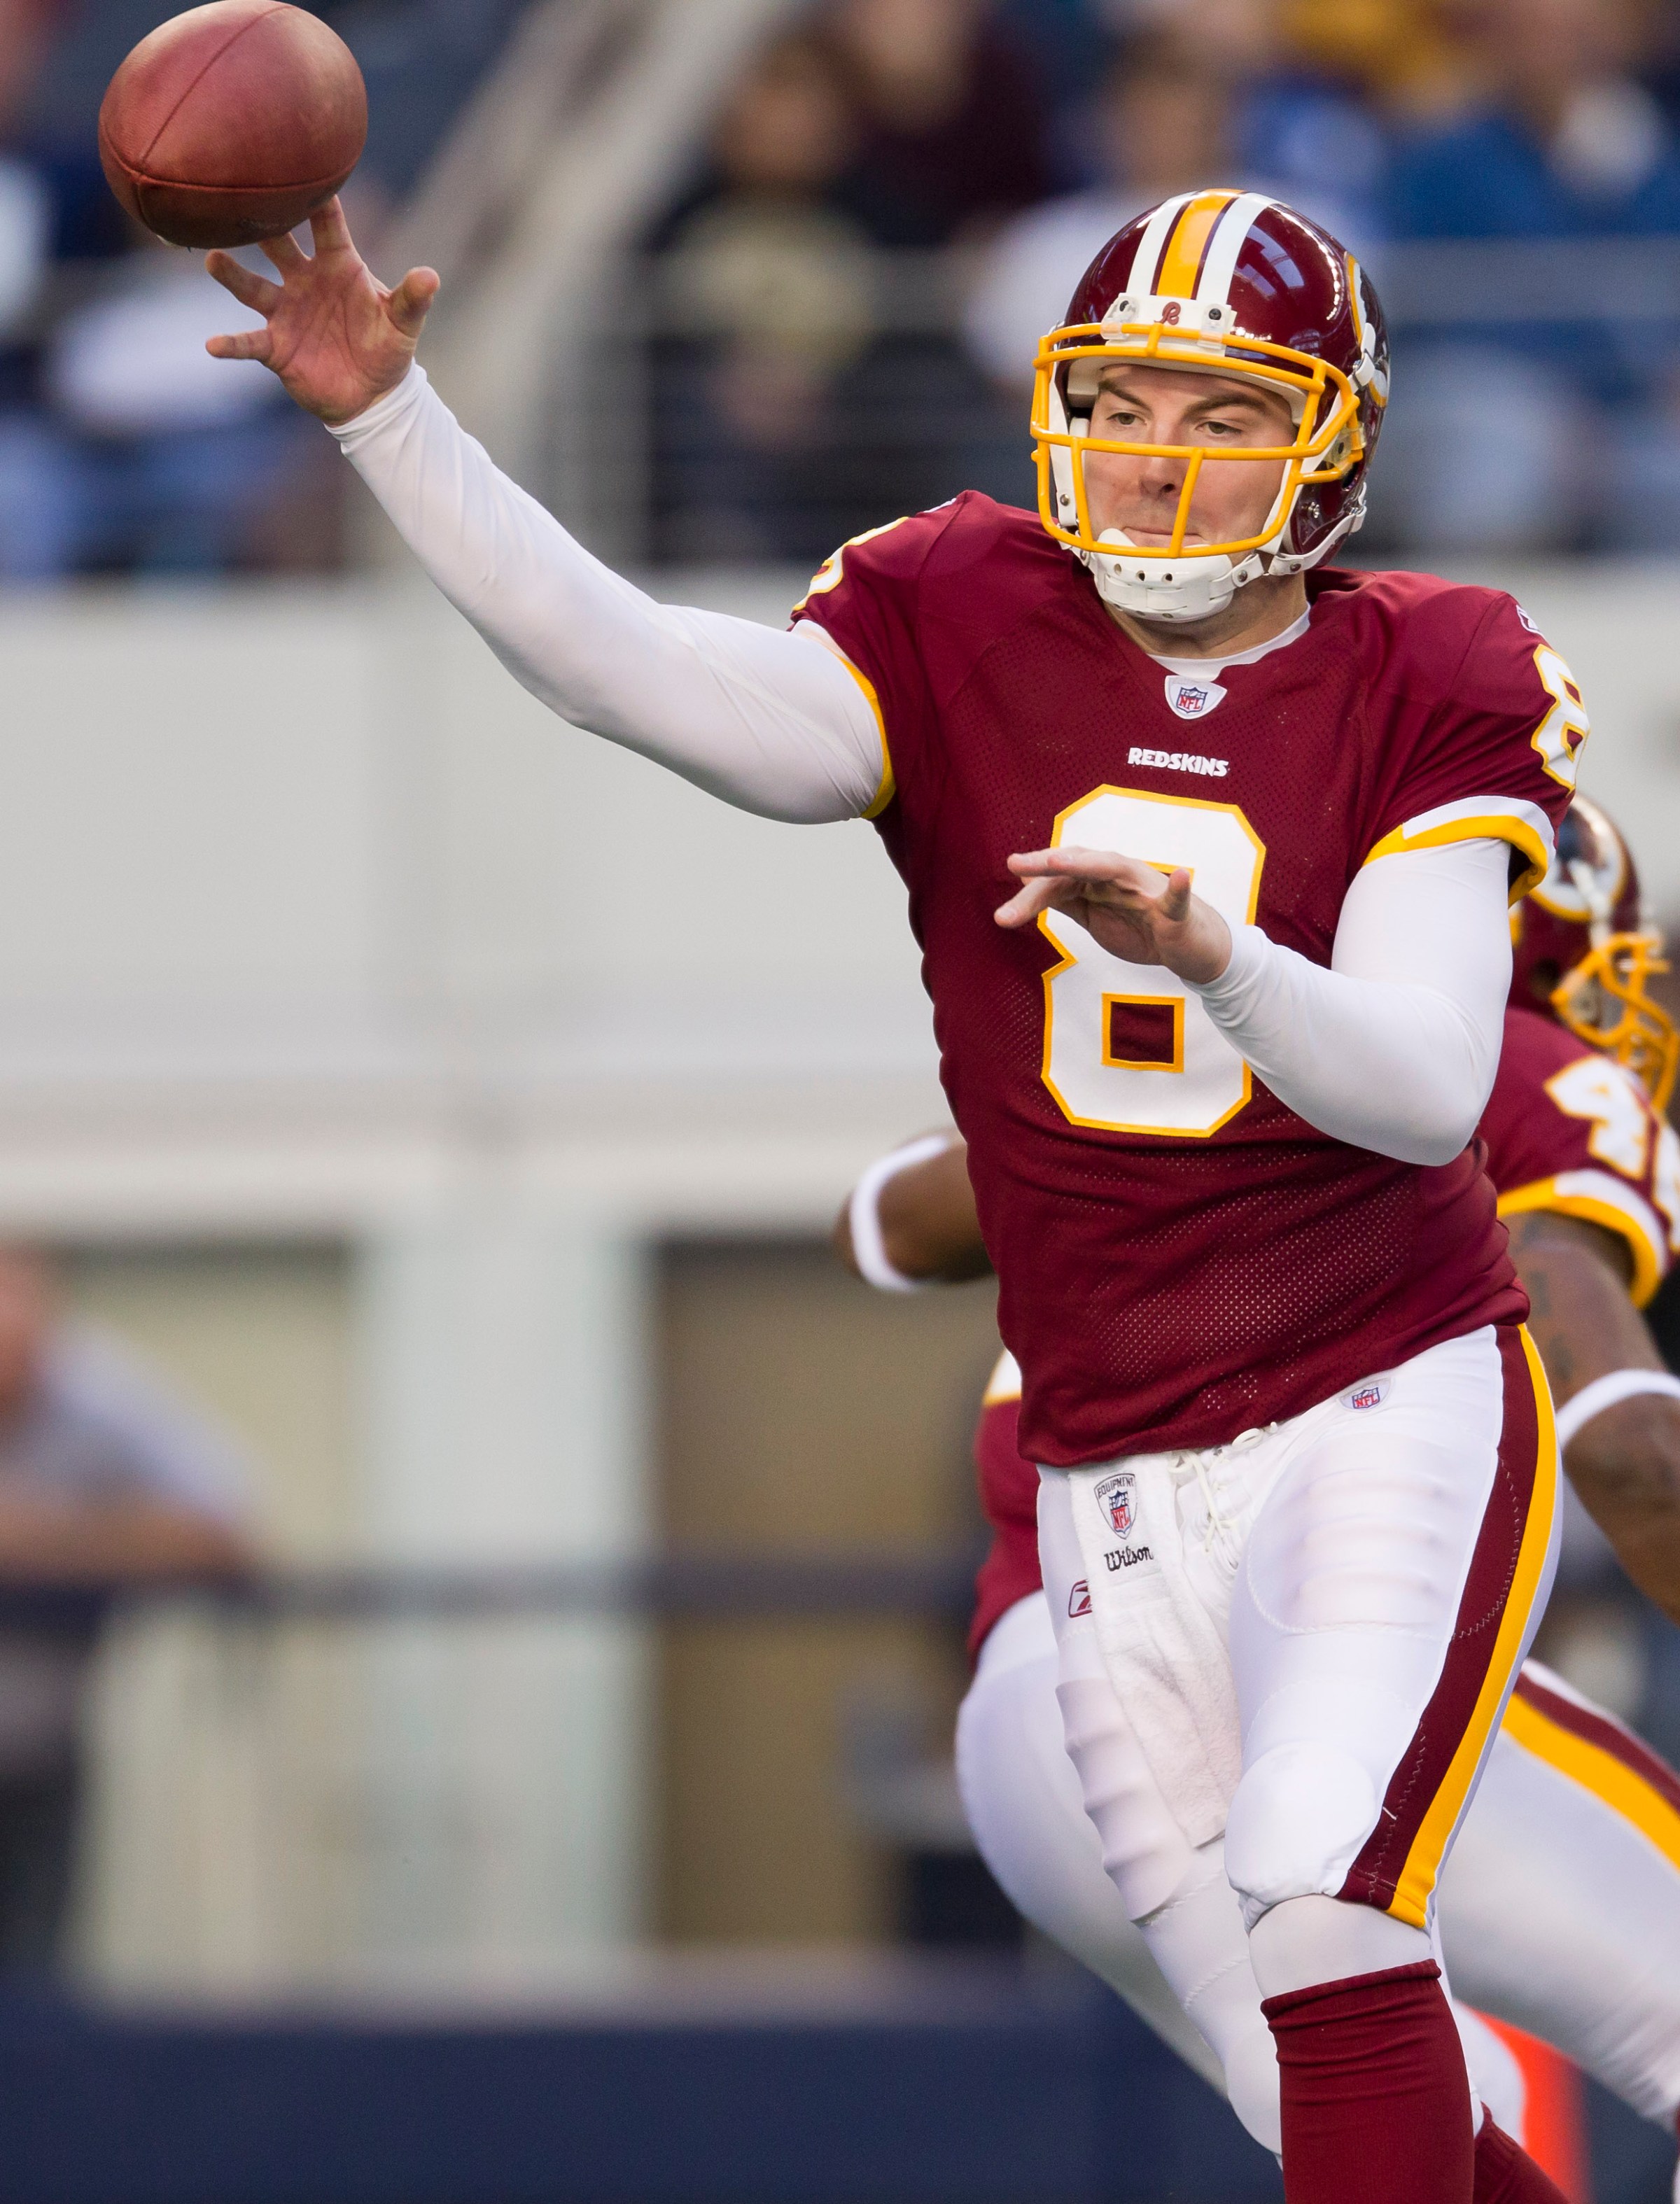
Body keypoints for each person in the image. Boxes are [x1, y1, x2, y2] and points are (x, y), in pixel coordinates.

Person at [206, 185, 1582, 2204]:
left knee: (1324, 1887)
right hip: (1109, 1457)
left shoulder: (1431, 664)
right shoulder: (959, 598)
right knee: (1313, 2065)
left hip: (1386, 1387)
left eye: (1220, 411)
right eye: (1121, 401)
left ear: (1332, 440)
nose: (1158, 453)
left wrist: (1218, 954)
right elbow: (652, 685)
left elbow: (1423, 1083)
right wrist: (392, 419)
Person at [836, 794, 1680, 2184]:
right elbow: (1627, 1448)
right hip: (1277, 1646)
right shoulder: (1511, 1066)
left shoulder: (1169, 1051)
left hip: (1044, 1732)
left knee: (1442, 2139)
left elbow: (881, 1220)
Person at [0, 1247, 253, 1970]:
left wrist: (42, 1539)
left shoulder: (99, 1398)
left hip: (40, 1758)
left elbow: (226, 1530)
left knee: (31, 1989)